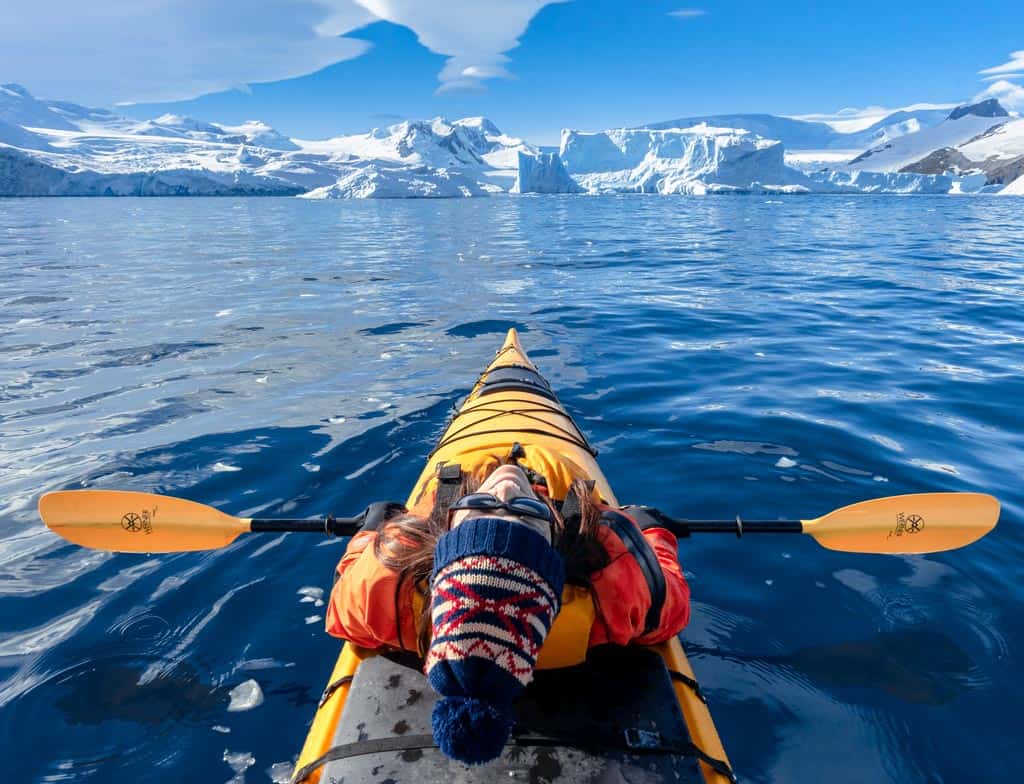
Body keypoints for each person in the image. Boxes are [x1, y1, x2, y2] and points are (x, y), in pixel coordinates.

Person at [325, 458, 690, 765]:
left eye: (480, 505)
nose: (505, 489)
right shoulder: (619, 583)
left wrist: (371, 532)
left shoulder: (385, 585)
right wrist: (651, 531)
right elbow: (673, 607)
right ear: (554, 538)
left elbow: (343, 603)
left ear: (444, 529)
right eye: (526, 512)